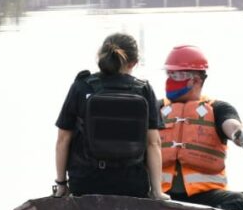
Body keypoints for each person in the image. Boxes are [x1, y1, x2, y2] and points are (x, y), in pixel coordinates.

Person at [53, 33, 168, 200]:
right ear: (134, 63)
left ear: (100, 56)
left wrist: (62, 184)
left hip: (85, 182)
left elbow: (63, 139)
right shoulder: (143, 89)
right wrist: (157, 191)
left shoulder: (81, 86)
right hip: (131, 183)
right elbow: (153, 143)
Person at [158, 45, 243, 210]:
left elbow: (230, 124)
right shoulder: (156, 108)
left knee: (238, 201)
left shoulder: (218, 108)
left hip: (205, 195)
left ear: (196, 79)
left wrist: (240, 134)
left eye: (178, 75)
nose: (171, 79)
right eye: (169, 74)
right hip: (161, 193)